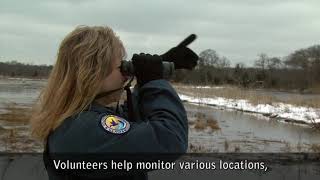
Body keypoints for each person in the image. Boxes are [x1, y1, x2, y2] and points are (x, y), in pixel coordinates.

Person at [30, 25, 198, 180]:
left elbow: (135, 122)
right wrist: (154, 82)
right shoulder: (83, 130)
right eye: (122, 67)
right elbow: (170, 139)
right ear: (93, 74)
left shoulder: (77, 120)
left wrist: (152, 71)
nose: (126, 75)